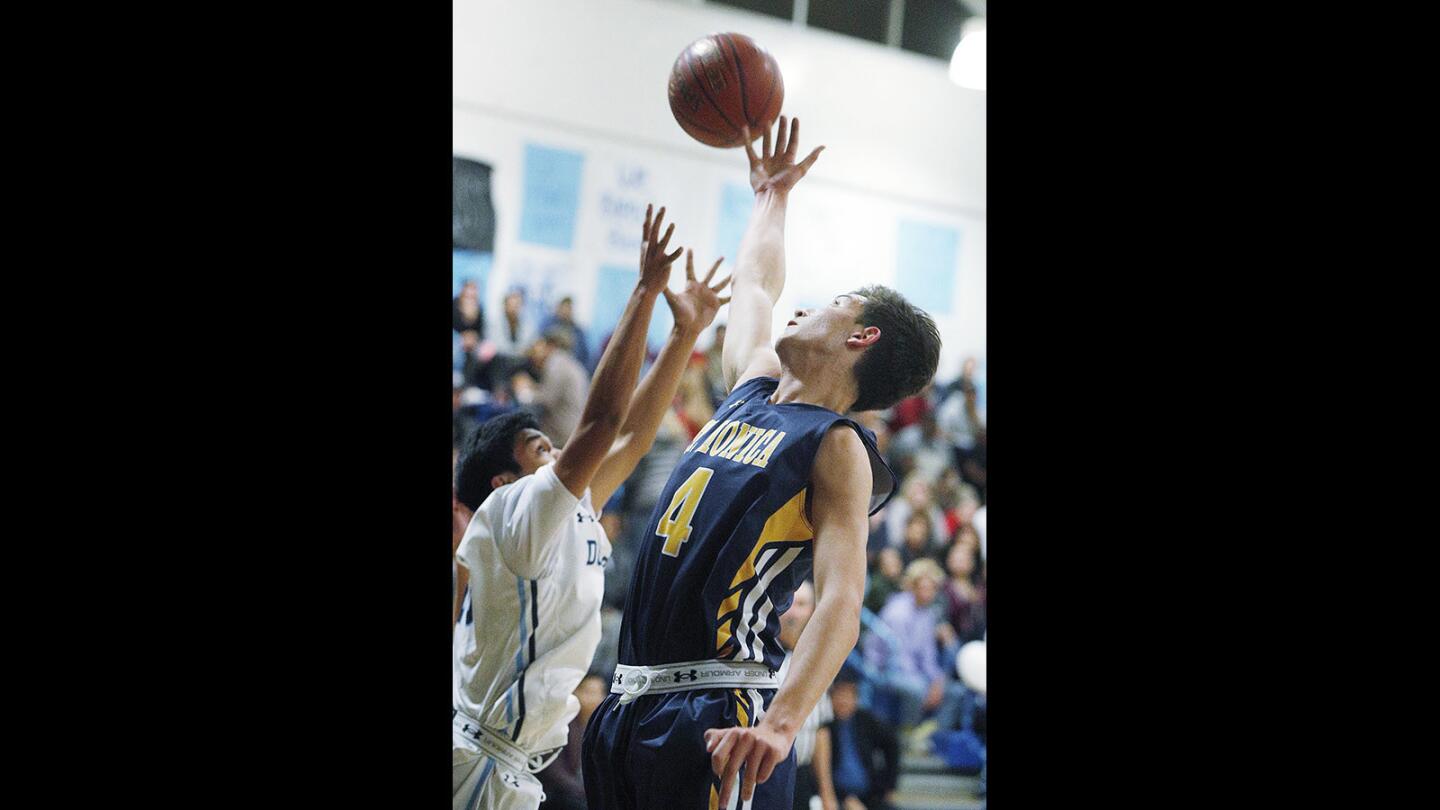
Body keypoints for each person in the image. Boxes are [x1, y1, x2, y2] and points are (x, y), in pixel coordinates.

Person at [582, 116, 942, 810]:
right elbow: (754, 284)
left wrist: (780, 726)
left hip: (718, 711)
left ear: (861, 337)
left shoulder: (837, 447)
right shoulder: (750, 386)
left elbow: (839, 600)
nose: (803, 306)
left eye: (831, 304)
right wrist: (772, 196)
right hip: (631, 698)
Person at [453, 205, 730, 810]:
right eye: (540, 448)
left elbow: (629, 439)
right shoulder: (515, 511)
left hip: (509, 763)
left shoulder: (564, 511)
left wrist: (684, 335)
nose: (557, 455)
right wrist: (644, 291)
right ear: (505, 479)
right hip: (481, 762)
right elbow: (602, 423)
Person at [863, 560, 969, 733]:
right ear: (912, 586)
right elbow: (899, 658)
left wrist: (937, 681)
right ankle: (907, 735)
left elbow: (928, 656)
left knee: (956, 692)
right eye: (923, 587)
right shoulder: (897, 611)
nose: (928, 593)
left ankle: (927, 737)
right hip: (884, 669)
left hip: (912, 672)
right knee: (918, 688)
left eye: (932, 588)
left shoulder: (927, 614)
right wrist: (926, 685)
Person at [775, 581, 839, 810]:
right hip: (764, 770)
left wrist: (827, 793)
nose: (793, 612)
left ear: (813, 609)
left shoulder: (820, 659)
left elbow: (820, 730)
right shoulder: (758, 655)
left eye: (802, 604)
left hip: (801, 774)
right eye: (789, 603)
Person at [826, 672, 900, 810]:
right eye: (839, 695)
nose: (843, 700)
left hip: (869, 794)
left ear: (856, 699)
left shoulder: (865, 721)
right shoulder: (825, 726)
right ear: (830, 697)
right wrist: (845, 798)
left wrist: (890, 785)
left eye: (848, 695)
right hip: (834, 795)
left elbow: (892, 743)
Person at [527, 330, 590, 446]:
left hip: (560, 433)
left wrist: (524, 393)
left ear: (550, 345)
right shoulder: (573, 364)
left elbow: (547, 400)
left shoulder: (556, 363)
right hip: (575, 428)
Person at [541, 296, 593, 371]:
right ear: (558, 308)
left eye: (569, 308)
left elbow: (585, 356)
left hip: (571, 367)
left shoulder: (578, 332)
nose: (566, 311)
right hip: (548, 366)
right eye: (564, 308)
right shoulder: (547, 325)